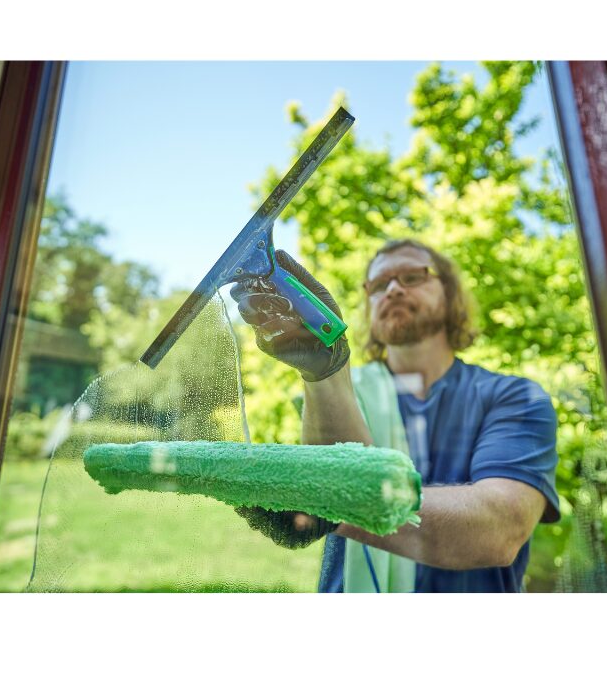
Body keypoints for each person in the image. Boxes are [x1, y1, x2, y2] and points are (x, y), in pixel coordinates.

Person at [230, 239, 560, 593]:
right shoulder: (345, 389)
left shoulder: (514, 397)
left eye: (412, 277)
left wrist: (338, 501)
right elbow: (331, 471)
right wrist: (325, 372)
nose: (393, 290)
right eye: (378, 285)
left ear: (450, 293)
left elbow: (498, 529)